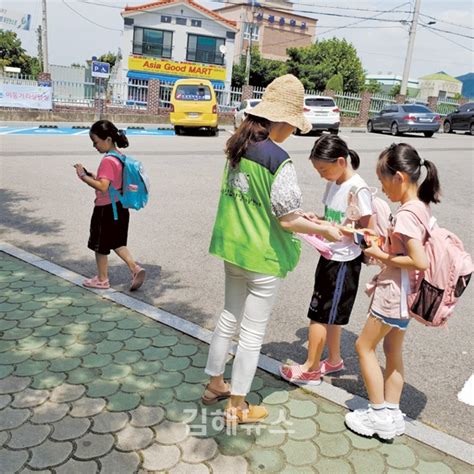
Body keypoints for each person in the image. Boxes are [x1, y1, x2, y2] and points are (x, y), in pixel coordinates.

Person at [202, 74, 342, 425]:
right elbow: (287, 220)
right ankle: (237, 406)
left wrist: (302, 217)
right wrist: (325, 226)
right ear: (280, 120)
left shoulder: (237, 146)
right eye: (293, 125)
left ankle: (214, 385)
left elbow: (262, 203)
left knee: (227, 317)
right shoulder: (278, 159)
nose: (292, 131)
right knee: (251, 333)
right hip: (261, 256)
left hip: (231, 248)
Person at [345, 143, 440, 440]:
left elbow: (418, 260)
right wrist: (384, 244)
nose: (382, 188)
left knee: (364, 347)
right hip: (407, 295)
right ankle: (392, 413)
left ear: (399, 177)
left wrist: (381, 254)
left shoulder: (407, 214)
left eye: (384, 180)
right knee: (392, 350)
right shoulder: (420, 207)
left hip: (393, 294)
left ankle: (377, 415)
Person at [280, 134, 373, 386]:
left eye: (324, 169)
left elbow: (369, 233)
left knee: (319, 314)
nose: (322, 175)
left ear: (341, 161)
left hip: (343, 263)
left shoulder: (358, 189)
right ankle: (333, 360)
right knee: (329, 313)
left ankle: (311, 368)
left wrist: (337, 230)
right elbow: (335, 217)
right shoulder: (334, 182)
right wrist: (317, 219)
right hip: (330, 255)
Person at [73, 120, 145, 291]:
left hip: (106, 209)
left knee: (100, 245)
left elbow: (103, 186)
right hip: (121, 207)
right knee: (117, 242)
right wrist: (93, 175)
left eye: (96, 142)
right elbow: (112, 181)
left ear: (107, 139)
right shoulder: (120, 156)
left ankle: (102, 279)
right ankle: (135, 268)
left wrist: (83, 176)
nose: (94, 146)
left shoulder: (107, 160)